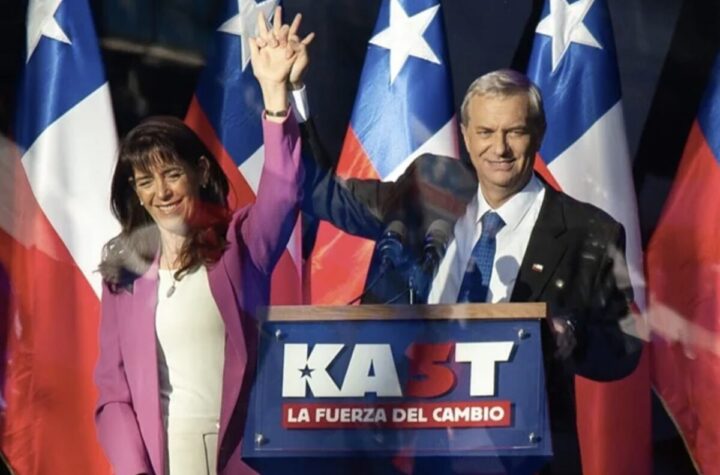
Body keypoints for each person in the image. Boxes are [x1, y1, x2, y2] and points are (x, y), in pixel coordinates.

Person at [289, 38, 642, 473]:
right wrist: (291, 93)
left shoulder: (589, 230)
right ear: (466, 136)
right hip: (405, 449)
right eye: (486, 132)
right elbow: (320, 192)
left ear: (538, 134)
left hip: (518, 458)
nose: (500, 149)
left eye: (515, 132)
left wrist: (571, 333)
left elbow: (626, 344)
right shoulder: (429, 189)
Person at [93, 9, 307, 475]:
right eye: (145, 181)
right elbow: (113, 393)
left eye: (172, 174)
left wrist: (275, 95)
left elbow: (284, 192)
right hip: (158, 462)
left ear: (201, 172)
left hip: (238, 461)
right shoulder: (124, 273)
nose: (161, 192)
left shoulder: (240, 244)